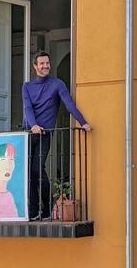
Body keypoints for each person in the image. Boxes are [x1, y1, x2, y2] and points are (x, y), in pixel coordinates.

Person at [22, 50, 91, 221]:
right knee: (27, 173)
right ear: (35, 66)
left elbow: (69, 104)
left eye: (47, 63)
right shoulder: (27, 87)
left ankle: (46, 208)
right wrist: (33, 125)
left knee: (38, 169)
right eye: (42, 63)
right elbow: (27, 108)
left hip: (45, 134)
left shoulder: (57, 84)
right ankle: (32, 210)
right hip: (28, 133)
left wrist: (83, 122)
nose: (45, 66)